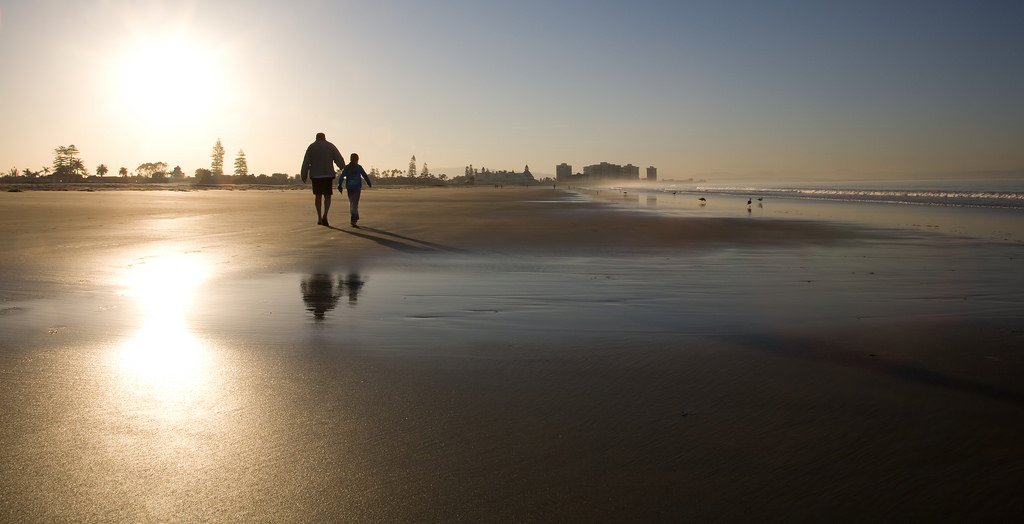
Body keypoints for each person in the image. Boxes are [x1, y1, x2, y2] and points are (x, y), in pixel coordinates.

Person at [300, 132, 346, 227]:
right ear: (324, 137)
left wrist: (303, 175)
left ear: (316, 138)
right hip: (327, 174)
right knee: (327, 196)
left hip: (316, 175)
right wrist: (342, 166)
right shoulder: (330, 146)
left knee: (318, 196)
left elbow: (306, 162)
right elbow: (338, 157)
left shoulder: (311, 147)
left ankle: (319, 218)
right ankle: (325, 215)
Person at [338, 153, 372, 227]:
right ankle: (353, 220)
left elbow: (341, 177)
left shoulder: (347, 168)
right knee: (355, 204)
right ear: (357, 159)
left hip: (349, 188)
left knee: (352, 203)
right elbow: (364, 175)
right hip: (356, 188)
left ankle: (354, 218)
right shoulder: (358, 167)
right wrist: (368, 182)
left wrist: (340, 185)